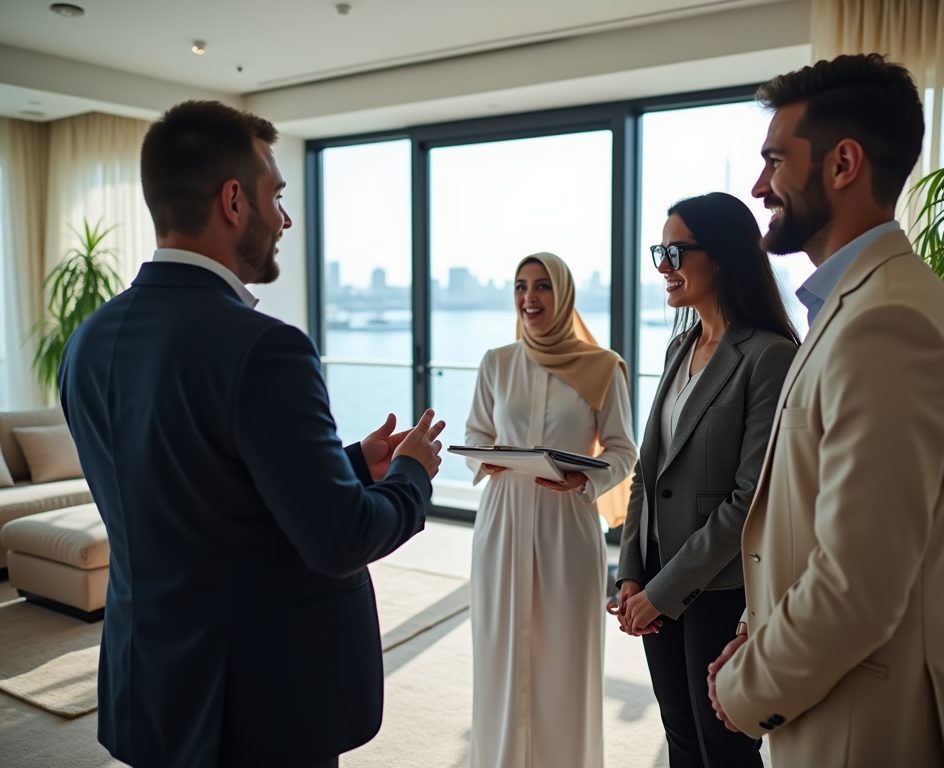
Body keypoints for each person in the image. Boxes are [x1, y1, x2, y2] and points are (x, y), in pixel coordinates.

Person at [58, 100, 445, 768]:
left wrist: (352, 461)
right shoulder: (266, 349)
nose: (285, 219)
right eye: (278, 196)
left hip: (149, 684)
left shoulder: (87, 341)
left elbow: (200, 486)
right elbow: (339, 538)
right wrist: (412, 473)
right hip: (257, 702)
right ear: (233, 201)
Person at [707, 54, 944, 768]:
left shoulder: (887, 323)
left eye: (774, 160)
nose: (758, 185)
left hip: (869, 729)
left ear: (843, 164)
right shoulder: (860, 305)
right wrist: (756, 629)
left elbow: (857, 586)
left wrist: (746, 687)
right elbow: (810, 521)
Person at [611, 192, 798, 767]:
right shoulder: (679, 347)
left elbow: (750, 501)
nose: (663, 266)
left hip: (719, 589)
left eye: (675, 250)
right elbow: (649, 470)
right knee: (681, 738)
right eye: (658, 251)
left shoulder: (769, 355)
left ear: (721, 255)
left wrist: (663, 591)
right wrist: (630, 573)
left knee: (727, 745)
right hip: (654, 577)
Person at [464, 252, 638, 767]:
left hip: (568, 525)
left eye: (541, 286)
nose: (529, 298)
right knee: (500, 655)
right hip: (502, 522)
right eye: (520, 286)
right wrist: (489, 458)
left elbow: (624, 450)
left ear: (562, 296)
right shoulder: (497, 361)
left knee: (564, 660)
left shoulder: (604, 367)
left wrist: (587, 476)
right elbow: (476, 433)